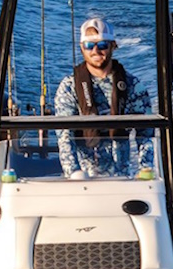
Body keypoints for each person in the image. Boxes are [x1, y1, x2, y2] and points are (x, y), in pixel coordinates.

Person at [52, 15, 151, 178]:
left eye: (102, 45)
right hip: (84, 180)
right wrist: (74, 174)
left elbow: (145, 135)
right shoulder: (69, 87)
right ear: (82, 48)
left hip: (122, 179)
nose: (95, 51)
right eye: (89, 45)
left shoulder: (133, 86)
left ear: (113, 46)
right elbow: (64, 136)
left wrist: (146, 171)